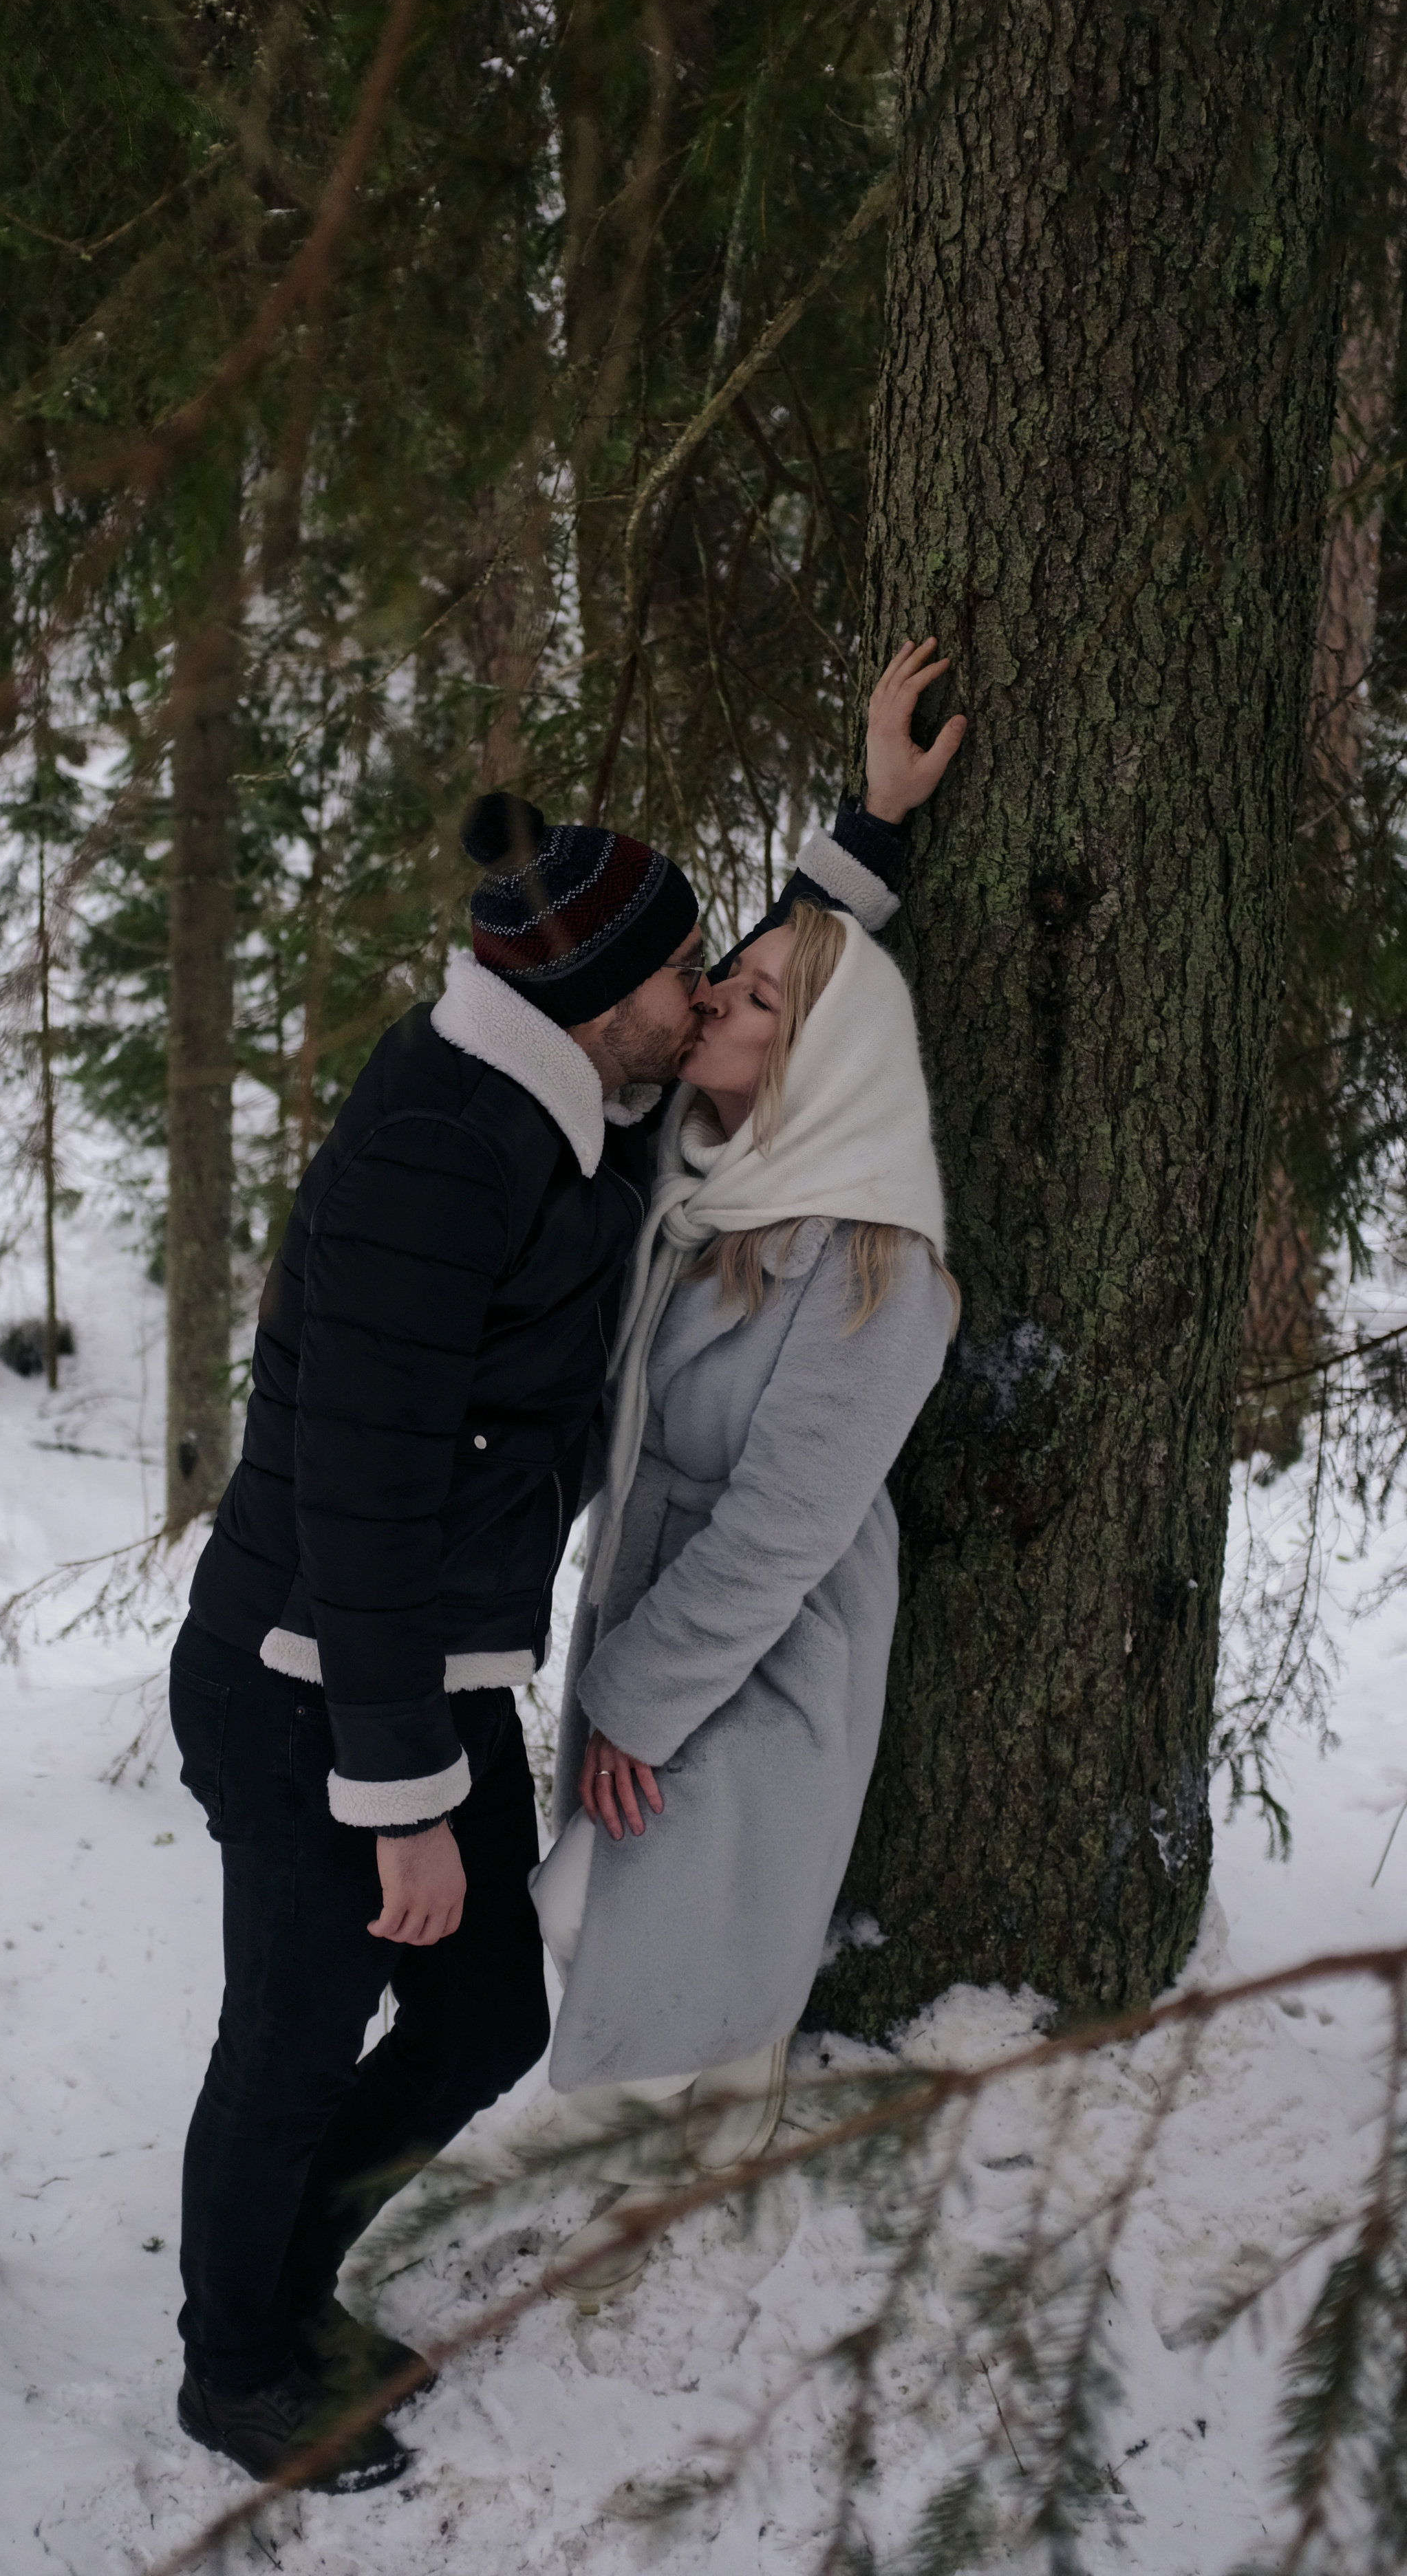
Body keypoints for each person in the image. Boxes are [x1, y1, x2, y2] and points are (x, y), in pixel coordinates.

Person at [165, 645, 958, 2488]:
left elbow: (754, 1003)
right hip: (310, 1684)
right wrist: (404, 1798)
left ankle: (290, 2286)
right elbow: (360, 1493)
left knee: (483, 2010)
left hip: (418, 1674)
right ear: (608, 1009)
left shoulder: (579, 1087)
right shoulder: (445, 1150)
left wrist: (864, 840)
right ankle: (236, 2367)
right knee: (294, 2036)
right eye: (687, 979)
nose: (708, 1001)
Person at [530, 669, 964, 2313]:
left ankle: (696, 2267)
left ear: (821, 1063)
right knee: (625, 1935)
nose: (706, 1000)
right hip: (652, 1618)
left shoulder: (877, 1268)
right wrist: (868, 821)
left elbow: (784, 1523)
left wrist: (639, 1700)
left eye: (748, 1005)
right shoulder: (702, 1175)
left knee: (697, 1947)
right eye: (716, 987)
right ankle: (628, 2213)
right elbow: (789, 964)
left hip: (761, 1650)